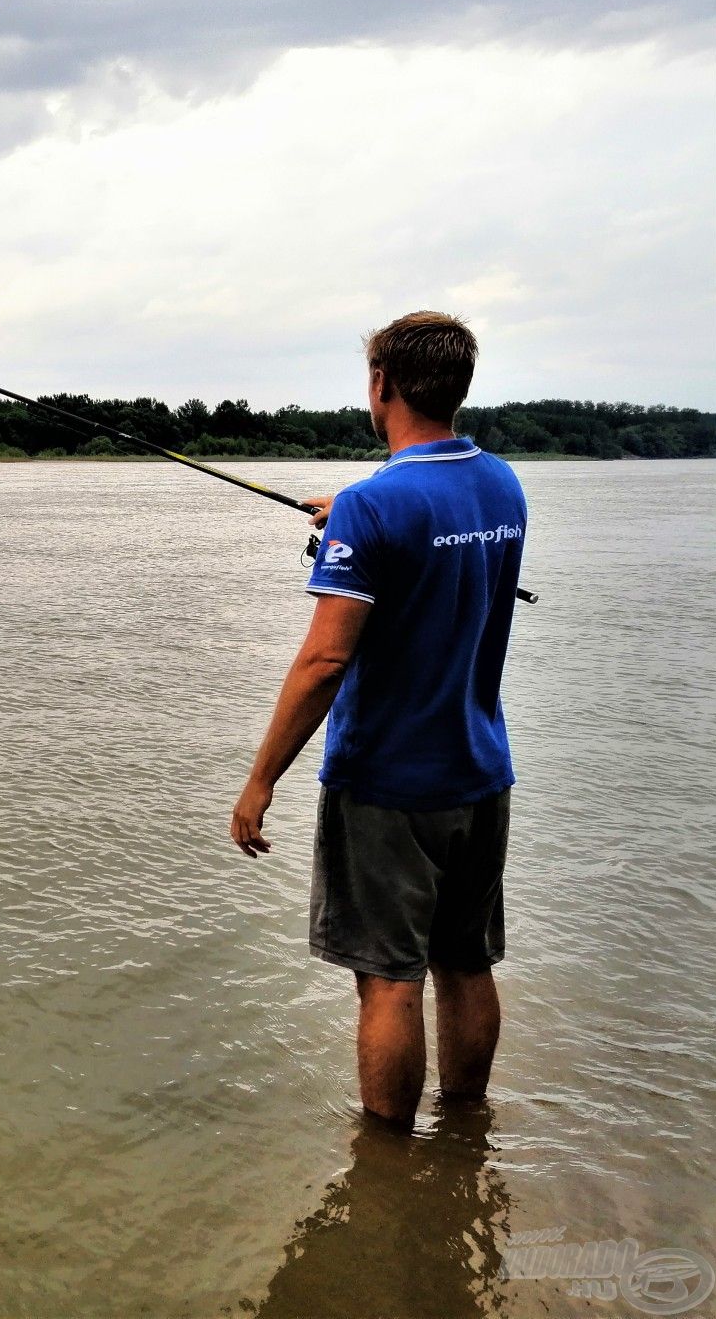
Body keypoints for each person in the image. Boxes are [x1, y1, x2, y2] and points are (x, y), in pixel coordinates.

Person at [228, 311, 528, 1128]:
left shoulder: (372, 508)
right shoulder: (502, 484)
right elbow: (434, 538)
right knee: (465, 963)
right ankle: (465, 1125)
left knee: (390, 979)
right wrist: (354, 523)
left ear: (382, 385)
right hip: (480, 772)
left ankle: (388, 1168)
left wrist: (259, 782)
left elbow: (324, 662)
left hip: (390, 784)